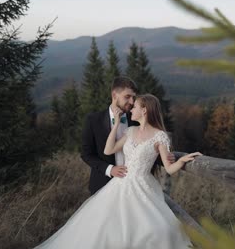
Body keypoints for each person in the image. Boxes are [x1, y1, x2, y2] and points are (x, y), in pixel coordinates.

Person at [35, 94, 202, 248]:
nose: (132, 109)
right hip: (120, 184)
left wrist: (181, 160)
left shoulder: (160, 136)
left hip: (143, 187)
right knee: (105, 225)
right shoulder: (130, 131)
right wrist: (115, 125)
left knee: (154, 229)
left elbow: (169, 168)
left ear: (144, 110)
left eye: (135, 107)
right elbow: (109, 150)